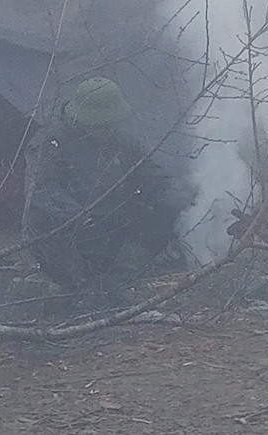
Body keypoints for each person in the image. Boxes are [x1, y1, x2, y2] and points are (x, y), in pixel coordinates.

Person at [22, 77, 179, 291]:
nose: (108, 130)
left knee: (161, 213)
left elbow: (152, 176)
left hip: (112, 228)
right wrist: (80, 217)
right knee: (44, 221)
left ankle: (120, 277)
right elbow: (42, 191)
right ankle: (74, 285)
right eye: (102, 125)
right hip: (70, 231)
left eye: (111, 125)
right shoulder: (51, 143)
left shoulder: (124, 143)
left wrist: (177, 198)